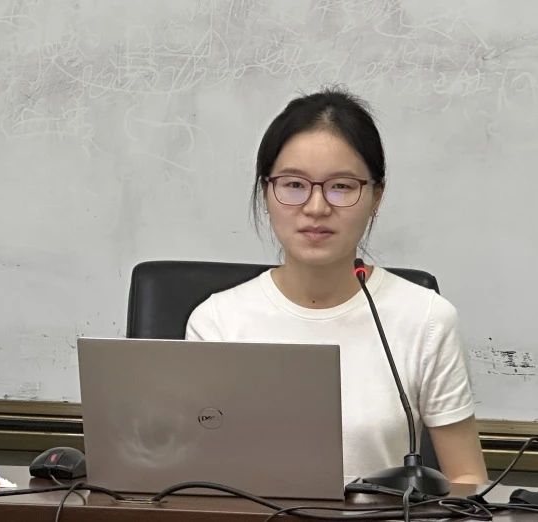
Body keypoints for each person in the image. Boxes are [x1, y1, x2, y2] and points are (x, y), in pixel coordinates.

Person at [186, 88, 488, 484]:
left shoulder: (426, 319)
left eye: (341, 187)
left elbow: (467, 478)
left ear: (376, 196)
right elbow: (199, 481)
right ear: (266, 192)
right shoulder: (218, 322)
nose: (316, 208)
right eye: (294, 185)